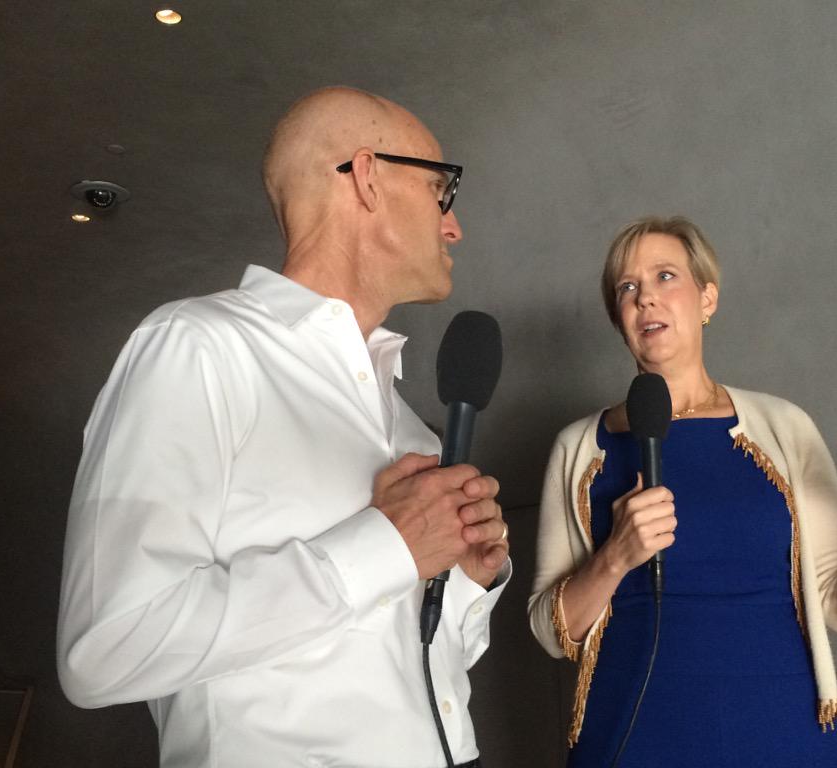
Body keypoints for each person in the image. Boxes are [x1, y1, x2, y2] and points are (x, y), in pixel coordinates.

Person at [57, 87, 511, 768]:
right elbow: (104, 648)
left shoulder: (412, 430)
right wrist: (384, 544)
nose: (454, 226)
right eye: (440, 191)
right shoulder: (197, 349)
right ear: (367, 177)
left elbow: (424, 664)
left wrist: (468, 582)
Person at [527, 215, 837, 767]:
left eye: (665, 276)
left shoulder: (784, 429)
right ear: (618, 318)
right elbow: (552, 631)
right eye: (627, 287)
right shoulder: (579, 448)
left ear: (707, 298)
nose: (646, 298)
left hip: (781, 734)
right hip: (632, 738)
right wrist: (615, 559)